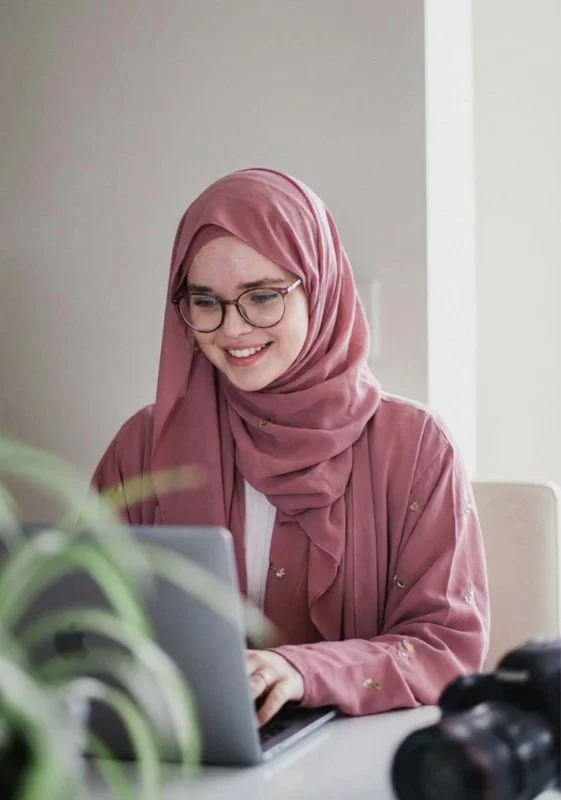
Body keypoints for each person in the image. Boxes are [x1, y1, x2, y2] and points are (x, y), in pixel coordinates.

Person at [91, 168, 490, 727]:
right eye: (206, 302)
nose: (232, 330)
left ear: (320, 286)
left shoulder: (417, 448)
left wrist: (304, 671)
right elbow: (83, 623)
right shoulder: (144, 447)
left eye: (261, 297)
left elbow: (447, 646)